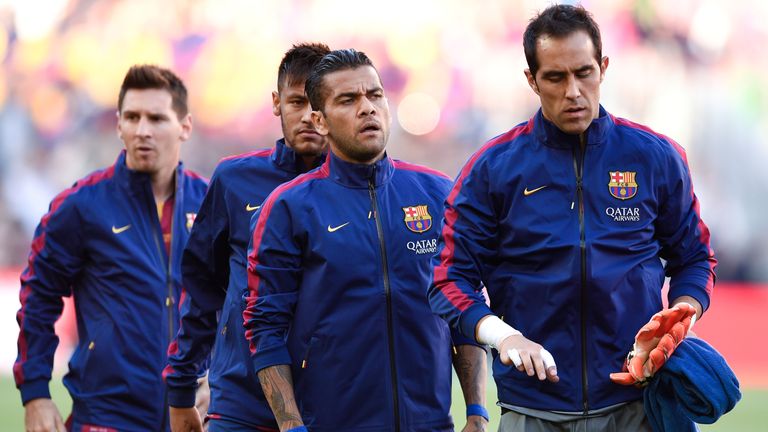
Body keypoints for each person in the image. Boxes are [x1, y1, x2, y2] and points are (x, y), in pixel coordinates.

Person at [428, 4, 716, 431]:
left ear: (603, 68)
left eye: (584, 73)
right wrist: (502, 336)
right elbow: (449, 280)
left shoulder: (656, 156)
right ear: (532, 80)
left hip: (638, 403)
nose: (573, 91)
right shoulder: (492, 168)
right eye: (556, 77)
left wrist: (682, 312)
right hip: (533, 409)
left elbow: (694, 257)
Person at [243, 49, 489, 432]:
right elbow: (265, 328)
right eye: (348, 100)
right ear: (320, 121)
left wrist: (476, 413)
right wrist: (291, 426)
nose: (367, 108)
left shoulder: (437, 194)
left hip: (431, 424)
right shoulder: (288, 207)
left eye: (375, 96)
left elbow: (463, 308)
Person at [14, 65, 208, 431]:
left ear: (185, 126)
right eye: (132, 117)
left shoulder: (213, 203)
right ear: (118, 125)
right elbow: (38, 297)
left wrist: (217, 380)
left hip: (193, 417)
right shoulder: (81, 206)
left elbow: (240, 305)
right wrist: (36, 393)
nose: (142, 130)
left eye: (156, 118)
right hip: (106, 417)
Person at [163, 42, 331, 432]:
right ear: (276, 103)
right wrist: (183, 386)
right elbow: (203, 290)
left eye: (317, 104)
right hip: (241, 403)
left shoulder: (359, 188)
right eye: (295, 103)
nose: (308, 117)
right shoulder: (234, 180)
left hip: (332, 405)